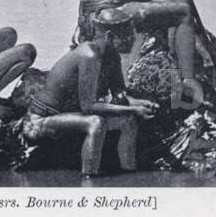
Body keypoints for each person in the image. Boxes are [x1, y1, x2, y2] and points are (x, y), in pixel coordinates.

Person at [23, 9, 158, 178]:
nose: (132, 40)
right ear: (109, 36)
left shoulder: (111, 55)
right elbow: (88, 107)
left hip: (69, 117)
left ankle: (130, 174)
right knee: (95, 122)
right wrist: (133, 109)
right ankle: (89, 179)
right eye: (126, 35)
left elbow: (119, 95)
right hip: (39, 122)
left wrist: (139, 103)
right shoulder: (89, 55)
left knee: (128, 121)